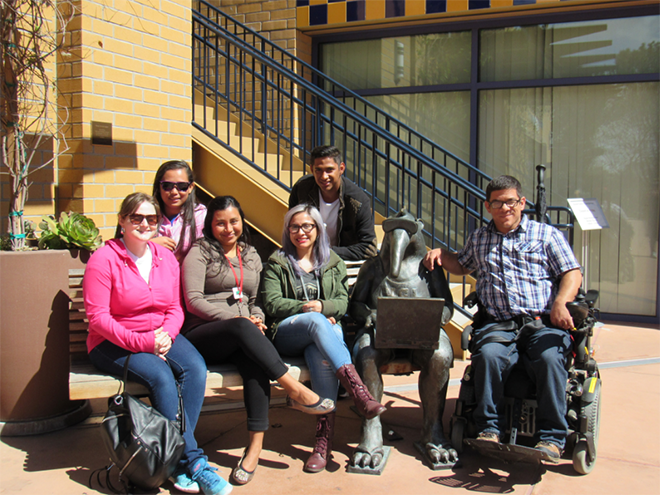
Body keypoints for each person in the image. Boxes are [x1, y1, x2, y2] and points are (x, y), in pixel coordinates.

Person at [423, 175, 582, 462]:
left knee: (549, 359)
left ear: (522, 203)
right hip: (498, 324)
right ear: (487, 206)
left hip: (541, 321)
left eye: (510, 201)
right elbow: (461, 263)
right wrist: (439, 254)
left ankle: (552, 438)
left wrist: (561, 302)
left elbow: (571, 272)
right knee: (488, 357)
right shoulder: (479, 239)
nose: (504, 208)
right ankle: (488, 429)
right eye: (497, 202)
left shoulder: (546, 235)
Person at [83, 192, 232, 495]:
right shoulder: (104, 258)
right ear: (122, 221)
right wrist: (144, 343)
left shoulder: (165, 258)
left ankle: (172, 457)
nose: (144, 224)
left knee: (194, 368)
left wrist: (165, 335)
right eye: (136, 217)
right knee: (163, 378)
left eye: (151, 218)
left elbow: (175, 308)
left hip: (159, 335)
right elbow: (98, 318)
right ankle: (194, 462)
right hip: (112, 342)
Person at [181, 196, 335, 486]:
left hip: (243, 334)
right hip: (204, 335)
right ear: (210, 225)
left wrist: (257, 318)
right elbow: (193, 301)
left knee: (255, 366)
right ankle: (295, 389)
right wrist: (237, 320)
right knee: (241, 328)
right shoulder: (199, 252)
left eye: (234, 221)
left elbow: (255, 300)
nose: (228, 228)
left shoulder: (250, 254)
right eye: (220, 223)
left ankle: (254, 449)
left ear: (242, 221)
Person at [261, 204, 386, 473]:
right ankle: (359, 392)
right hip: (287, 333)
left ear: (319, 229)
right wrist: (311, 309)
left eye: (308, 226)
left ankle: (322, 443)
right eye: (295, 226)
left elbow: (342, 302)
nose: (301, 232)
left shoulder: (332, 262)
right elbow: (272, 304)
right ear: (287, 230)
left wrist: (325, 308)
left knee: (323, 354)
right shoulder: (277, 262)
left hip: (320, 337)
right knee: (321, 324)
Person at [289, 145, 377, 261]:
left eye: (329, 170)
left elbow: (369, 248)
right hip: (305, 260)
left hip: (341, 263)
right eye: (318, 170)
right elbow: (291, 229)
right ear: (311, 169)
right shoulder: (301, 189)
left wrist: (326, 251)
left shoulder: (358, 201)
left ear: (341, 168)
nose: (324, 176)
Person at [152, 160, 207, 261]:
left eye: (182, 186)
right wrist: (149, 245)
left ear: (190, 187)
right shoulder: (146, 215)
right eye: (167, 186)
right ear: (159, 187)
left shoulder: (200, 216)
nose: (174, 192)